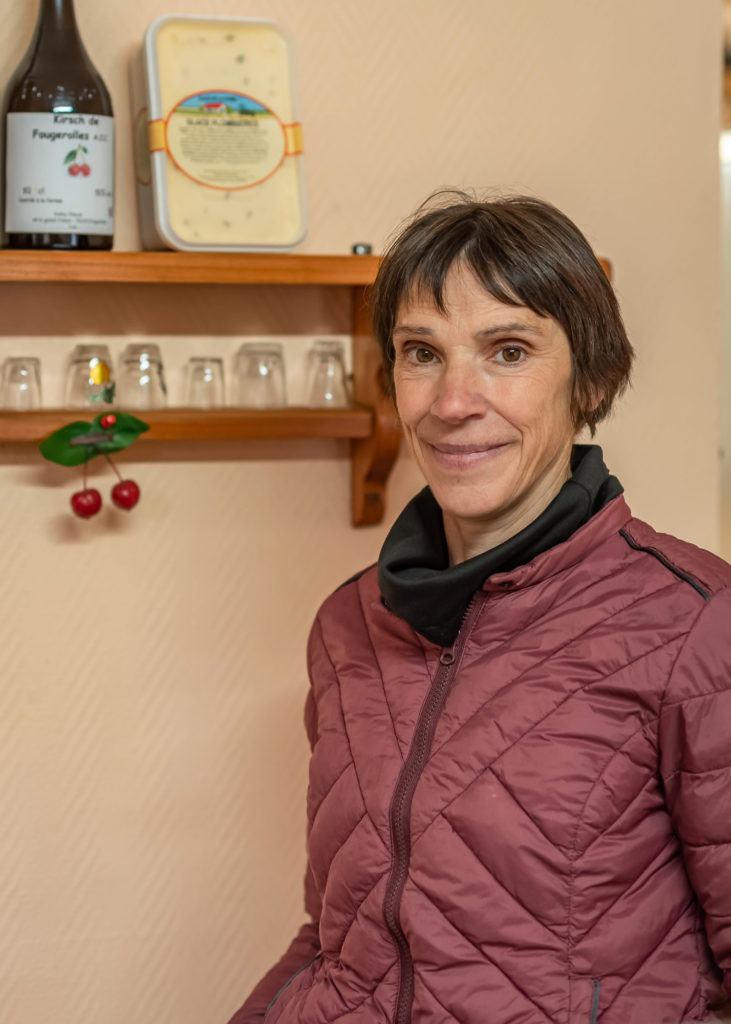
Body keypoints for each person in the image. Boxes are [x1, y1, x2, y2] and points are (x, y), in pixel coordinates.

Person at [228, 194, 731, 1024]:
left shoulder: (696, 624)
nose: (452, 401)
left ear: (592, 380)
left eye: (507, 350)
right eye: (420, 353)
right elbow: (340, 937)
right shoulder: (347, 623)